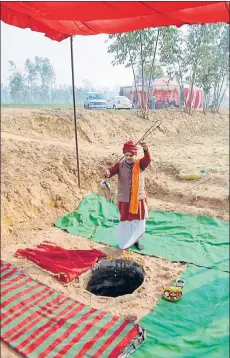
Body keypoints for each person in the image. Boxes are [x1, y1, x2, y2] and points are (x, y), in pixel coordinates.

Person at [104, 140, 151, 251]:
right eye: (127, 155)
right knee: (126, 221)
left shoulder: (141, 164)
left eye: (131, 155)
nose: (129, 157)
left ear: (135, 154)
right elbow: (110, 172)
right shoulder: (119, 165)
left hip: (138, 199)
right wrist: (107, 172)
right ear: (124, 154)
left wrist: (145, 149)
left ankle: (136, 240)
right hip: (124, 199)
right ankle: (126, 240)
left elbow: (148, 159)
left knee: (138, 221)